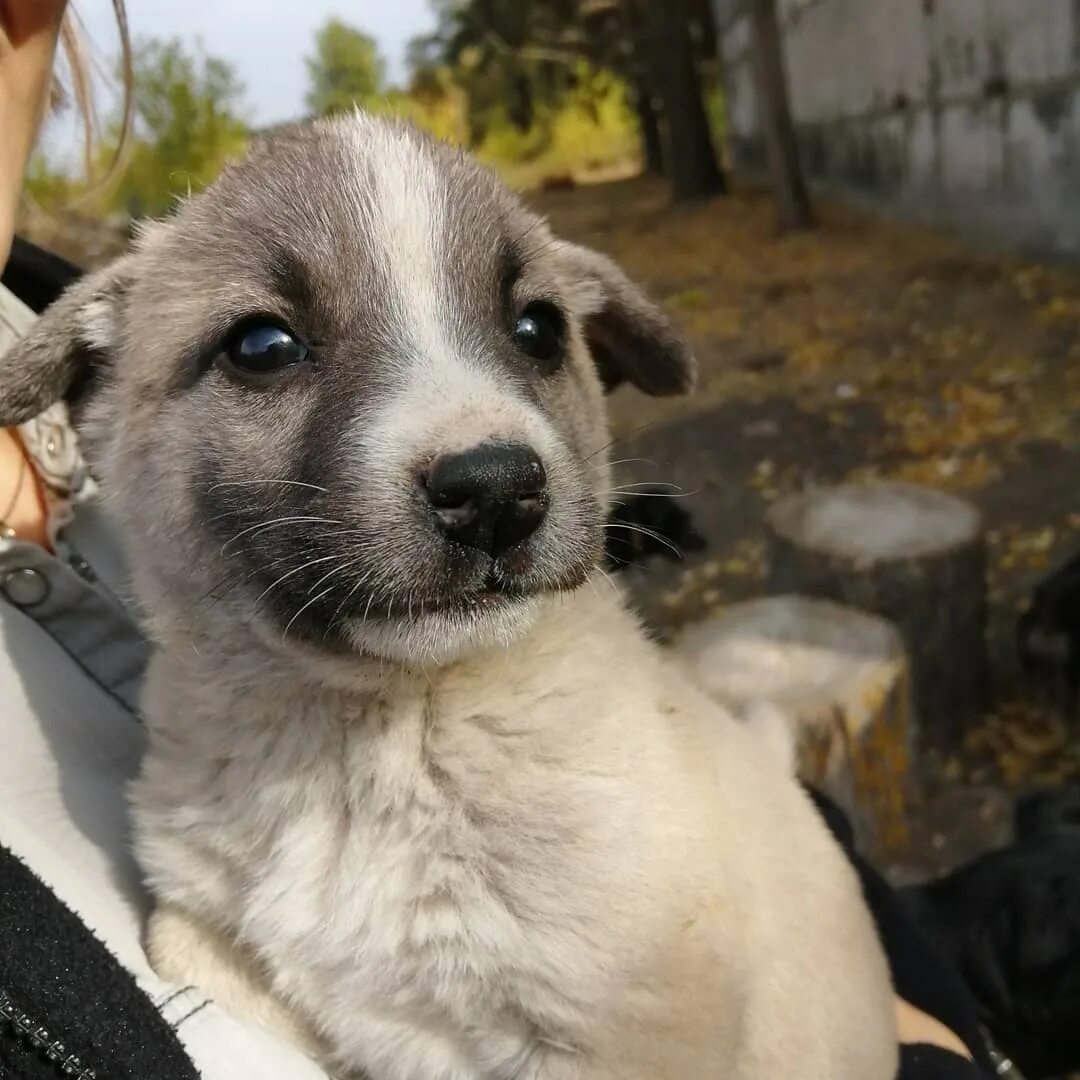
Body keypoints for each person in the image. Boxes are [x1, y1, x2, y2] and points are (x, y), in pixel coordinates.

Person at [0, 3, 998, 1077]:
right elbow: (215, 941)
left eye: (529, 332)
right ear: (90, 389)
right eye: (265, 344)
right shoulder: (124, 334)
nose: (482, 452)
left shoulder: (592, 799)